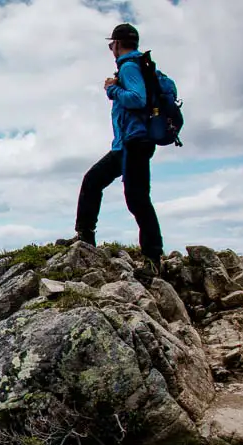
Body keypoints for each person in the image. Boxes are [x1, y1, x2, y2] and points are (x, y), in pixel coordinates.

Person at [60, 23, 164, 281]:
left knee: (137, 198)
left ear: (117, 44)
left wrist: (112, 89)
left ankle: (152, 260)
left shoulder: (129, 66)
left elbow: (137, 98)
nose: (111, 49)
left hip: (134, 143)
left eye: (111, 45)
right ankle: (85, 238)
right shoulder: (141, 65)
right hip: (127, 144)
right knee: (94, 181)